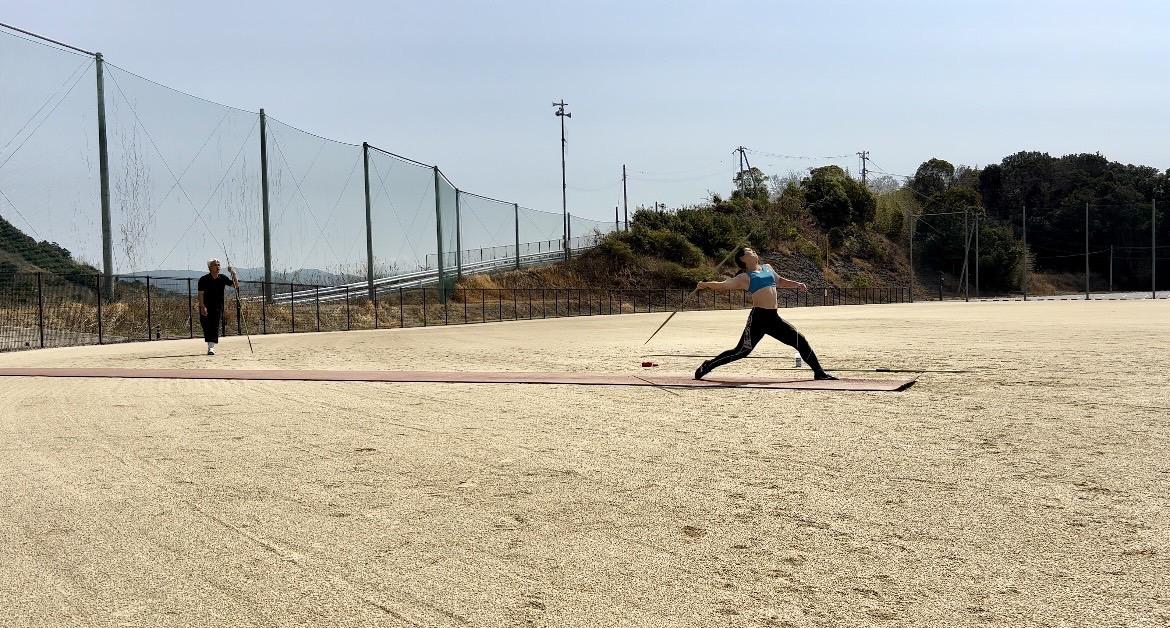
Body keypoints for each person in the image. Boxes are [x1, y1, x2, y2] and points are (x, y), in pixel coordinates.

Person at [693, 246, 837, 381]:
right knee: (741, 352)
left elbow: (780, 281)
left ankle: (819, 372)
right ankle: (708, 365)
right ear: (743, 259)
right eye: (749, 251)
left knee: (800, 340)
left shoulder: (767, 268)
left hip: (773, 319)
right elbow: (724, 285)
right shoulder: (744, 277)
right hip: (758, 319)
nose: (753, 251)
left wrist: (797, 284)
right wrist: (705, 284)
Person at [197, 258, 239, 355]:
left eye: (219, 265)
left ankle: (211, 347)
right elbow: (200, 294)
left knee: (215, 325)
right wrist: (202, 306)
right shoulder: (203, 279)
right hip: (206, 305)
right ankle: (210, 345)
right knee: (206, 325)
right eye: (215, 265)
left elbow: (236, 285)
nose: (218, 267)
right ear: (210, 267)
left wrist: (233, 273)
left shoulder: (222, 278)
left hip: (218, 306)